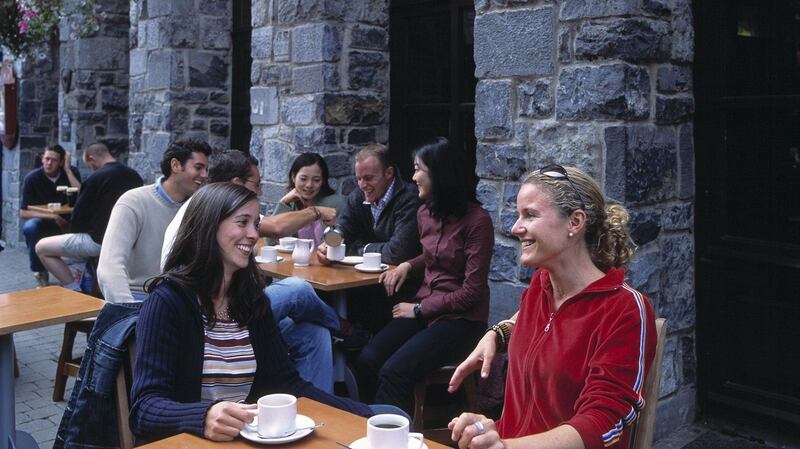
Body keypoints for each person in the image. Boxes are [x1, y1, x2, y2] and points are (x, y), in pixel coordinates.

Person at [130, 182, 374, 443]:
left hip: (244, 441)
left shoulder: (251, 301)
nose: (253, 234)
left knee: (389, 415)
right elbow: (145, 409)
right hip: (187, 443)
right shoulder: (168, 301)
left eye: (256, 224)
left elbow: (288, 385)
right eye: (242, 222)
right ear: (209, 226)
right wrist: (202, 417)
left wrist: (363, 415)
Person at [446, 165, 657, 449]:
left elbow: (604, 422)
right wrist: (497, 334)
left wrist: (505, 447)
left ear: (575, 222)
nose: (515, 228)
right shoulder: (542, 285)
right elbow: (548, 323)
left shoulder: (626, 310)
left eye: (530, 215)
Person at [160, 150, 344, 392]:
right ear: (237, 183)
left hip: (234, 304)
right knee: (297, 289)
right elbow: (277, 228)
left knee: (314, 333)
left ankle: (319, 415)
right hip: (204, 310)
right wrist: (316, 212)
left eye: (255, 225)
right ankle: (344, 328)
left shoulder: (223, 208)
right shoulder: (207, 209)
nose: (254, 233)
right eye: (256, 185)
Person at [354, 137, 493, 412]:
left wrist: (418, 309)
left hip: (460, 321)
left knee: (394, 372)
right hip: (427, 310)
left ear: (440, 174)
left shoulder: (478, 221)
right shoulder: (425, 213)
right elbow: (435, 255)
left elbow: (471, 292)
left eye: (419, 169)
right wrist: (409, 265)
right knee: (367, 359)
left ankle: (392, 438)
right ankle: (364, 426)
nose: (414, 176)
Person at [315, 143, 423, 332]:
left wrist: (359, 248)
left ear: (389, 173)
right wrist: (329, 244)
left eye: (368, 178)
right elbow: (343, 228)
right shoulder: (359, 195)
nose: (363, 185)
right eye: (358, 179)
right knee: (318, 298)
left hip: (400, 288)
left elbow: (397, 252)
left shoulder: (409, 198)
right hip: (368, 284)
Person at [97, 140, 210, 303]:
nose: (205, 175)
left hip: (185, 302)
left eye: (206, 169)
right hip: (139, 299)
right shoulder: (134, 201)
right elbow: (109, 269)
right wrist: (129, 312)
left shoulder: (201, 206)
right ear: (176, 165)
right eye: (198, 168)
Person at [35, 143, 143, 290]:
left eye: (90, 165)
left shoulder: (95, 178)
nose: (92, 168)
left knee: (42, 247)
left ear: (91, 159)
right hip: (128, 240)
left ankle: (74, 289)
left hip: (98, 241)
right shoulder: (134, 176)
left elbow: (78, 220)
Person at [20, 144, 82, 286]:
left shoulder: (70, 172)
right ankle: (40, 272)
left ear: (61, 162)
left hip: (69, 218)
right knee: (30, 227)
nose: (49, 163)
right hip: (44, 220)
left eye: (54, 160)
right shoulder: (33, 178)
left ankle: (78, 272)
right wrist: (53, 217)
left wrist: (67, 169)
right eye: (46, 159)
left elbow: (82, 194)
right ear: (42, 159)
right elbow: (23, 212)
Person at [269, 152, 344, 246]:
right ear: (293, 177)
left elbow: (340, 243)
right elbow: (270, 241)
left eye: (316, 180)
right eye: (303, 179)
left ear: (323, 181)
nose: (309, 185)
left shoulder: (337, 204)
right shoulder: (290, 205)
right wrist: (283, 203)